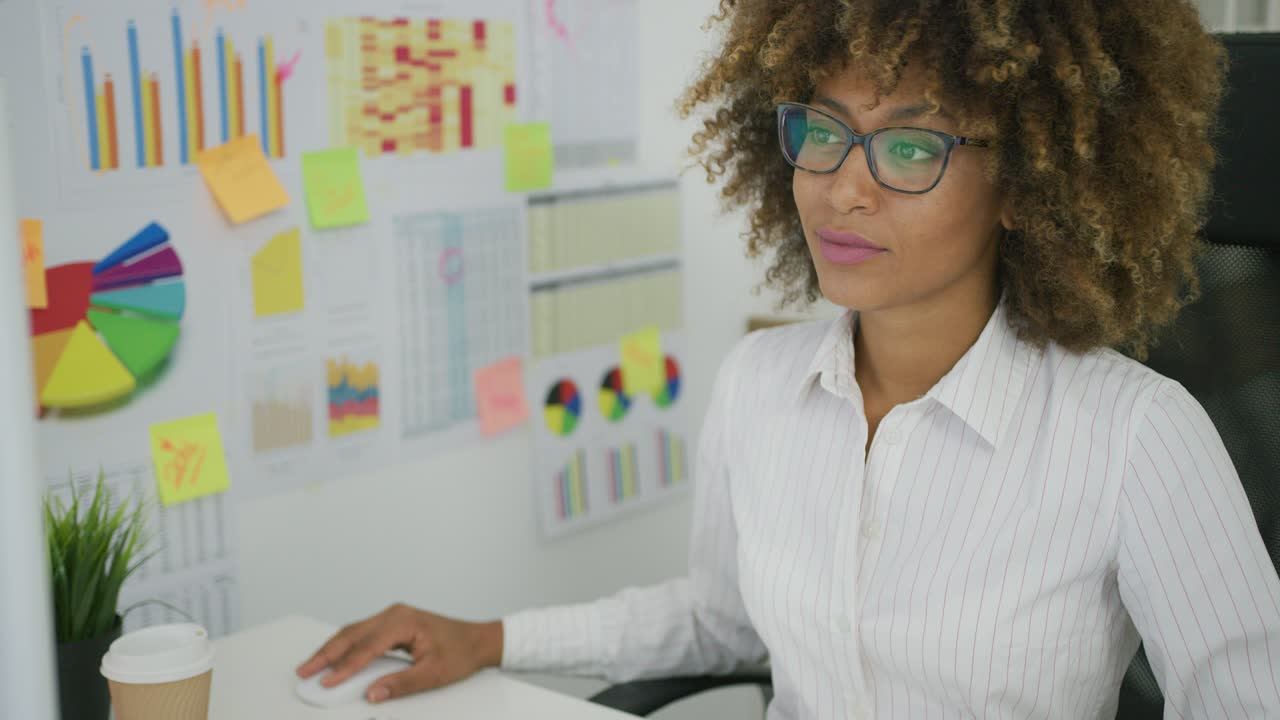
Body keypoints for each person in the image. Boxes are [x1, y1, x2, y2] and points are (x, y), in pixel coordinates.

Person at [296, 1, 1280, 717]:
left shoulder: (1135, 435)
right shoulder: (760, 390)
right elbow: (718, 623)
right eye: (822, 132)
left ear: (1022, 183)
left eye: (907, 149)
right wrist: (491, 638)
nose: (841, 191)